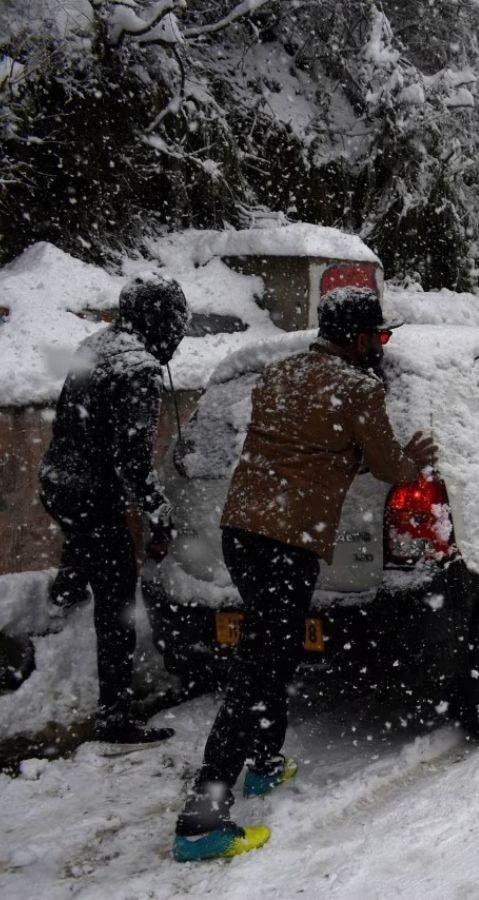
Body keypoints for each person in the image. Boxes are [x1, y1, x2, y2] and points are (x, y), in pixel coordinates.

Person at [174, 286, 438, 863]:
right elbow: (387, 462)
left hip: (243, 531)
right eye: (379, 336)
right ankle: (202, 819)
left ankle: (265, 762)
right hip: (286, 543)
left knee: (274, 649)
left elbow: (304, 439)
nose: (381, 345)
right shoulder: (360, 389)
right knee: (257, 668)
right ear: (359, 338)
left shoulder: (279, 373)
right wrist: (411, 460)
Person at [38, 273, 189, 745]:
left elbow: (75, 425)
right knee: (118, 598)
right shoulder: (138, 368)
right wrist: (159, 515)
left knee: (84, 541)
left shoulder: (96, 344)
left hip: (59, 482)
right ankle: (115, 713)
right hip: (91, 493)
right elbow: (132, 460)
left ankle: (64, 595)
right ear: (162, 321)